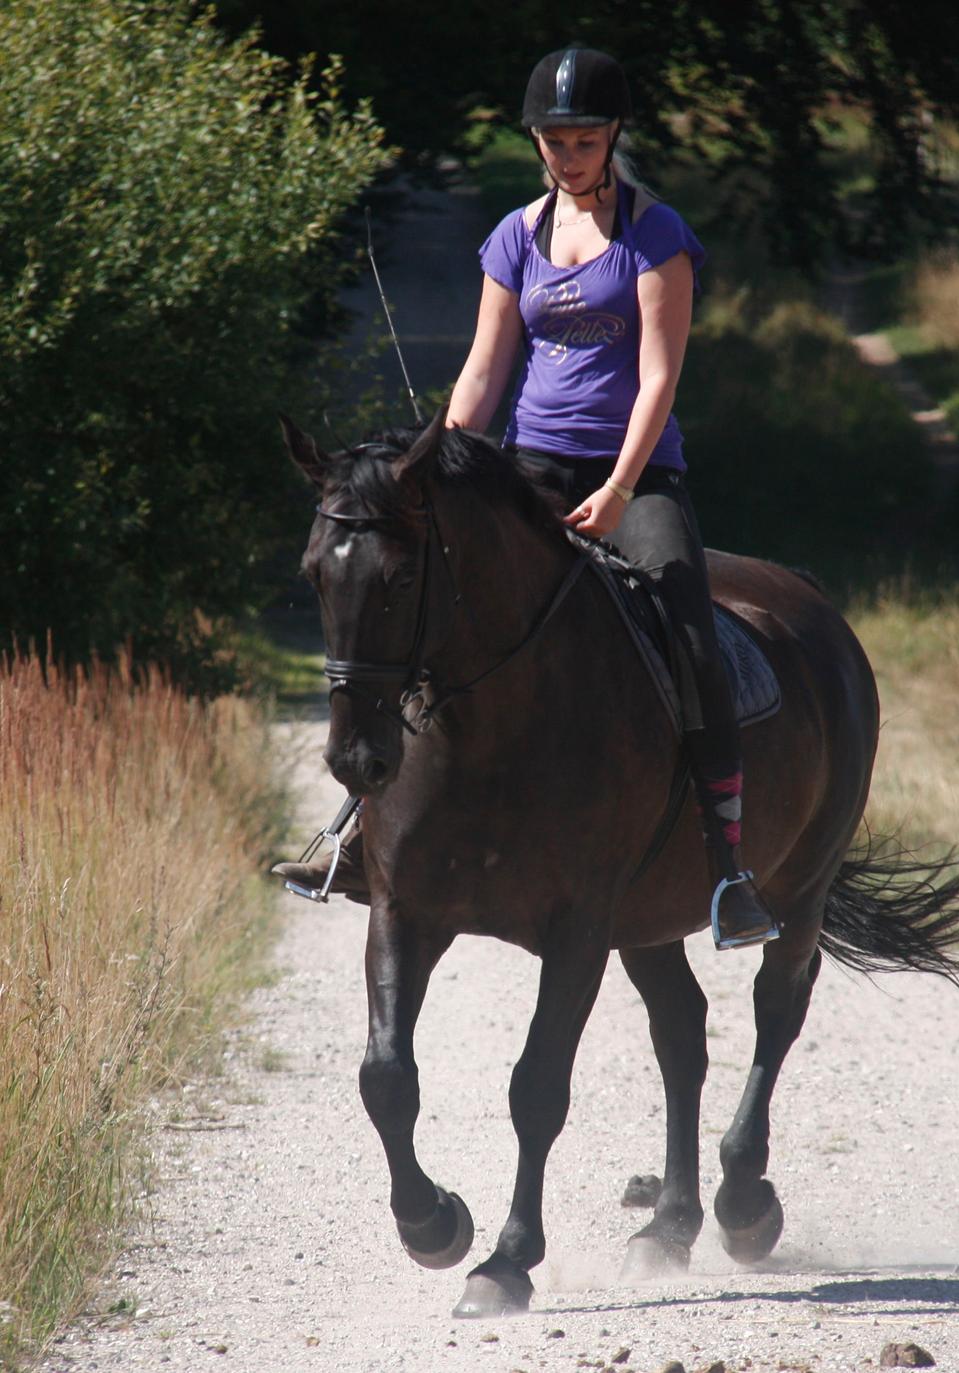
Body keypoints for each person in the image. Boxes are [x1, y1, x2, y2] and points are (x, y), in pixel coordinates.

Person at [275, 46, 777, 949]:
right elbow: (483, 368)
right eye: (554, 139)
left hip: (638, 474)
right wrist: (437, 464)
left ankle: (730, 862)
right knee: (421, 601)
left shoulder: (655, 234)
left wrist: (623, 487)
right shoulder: (514, 236)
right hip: (528, 468)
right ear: (536, 143)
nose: (569, 154)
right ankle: (356, 830)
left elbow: (661, 376)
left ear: (612, 137)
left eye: (585, 139)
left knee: (691, 631)